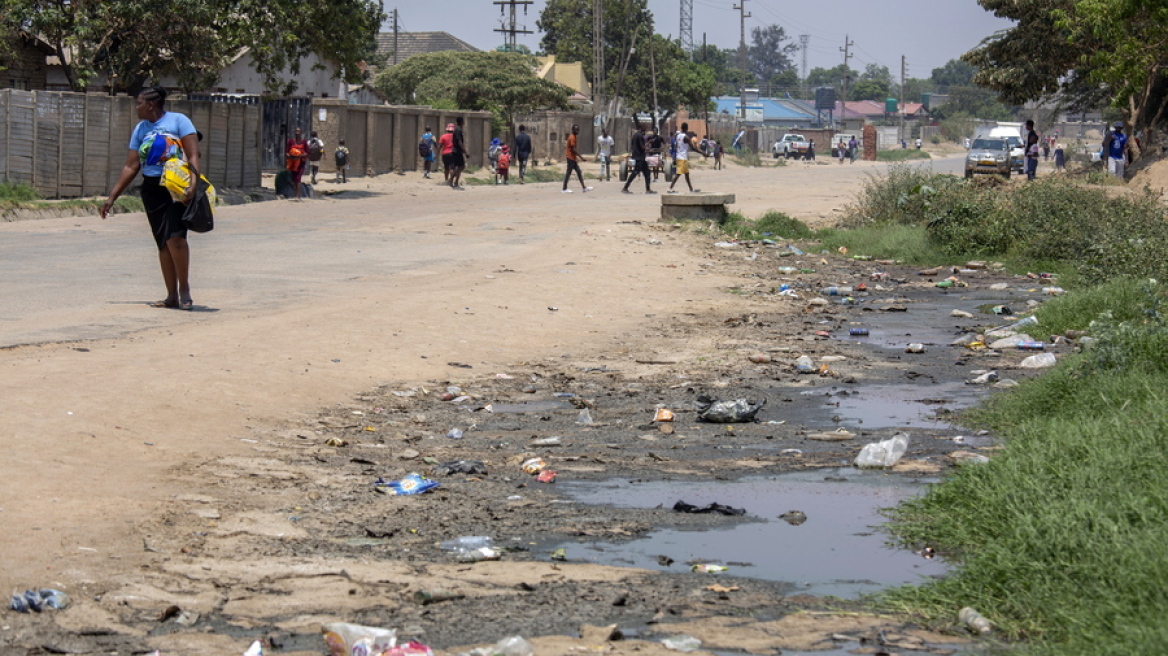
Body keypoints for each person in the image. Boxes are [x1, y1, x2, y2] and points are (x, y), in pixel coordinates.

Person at [99, 85, 201, 311]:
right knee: (163, 243)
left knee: (176, 238)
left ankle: (184, 290)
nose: (137, 107)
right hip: (152, 190)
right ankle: (171, 296)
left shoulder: (179, 121)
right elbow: (131, 165)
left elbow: (194, 154)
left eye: (139, 103)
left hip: (176, 188)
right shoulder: (141, 129)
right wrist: (112, 197)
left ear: (151, 104)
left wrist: (194, 184)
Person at [621, 121, 654, 194]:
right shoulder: (640, 136)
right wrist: (649, 142)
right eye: (645, 127)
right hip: (640, 157)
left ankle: (648, 189)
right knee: (635, 173)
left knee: (646, 172)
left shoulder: (635, 135)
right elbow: (642, 147)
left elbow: (633, 146)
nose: (646, 128)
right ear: (642, 127)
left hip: (637, 156)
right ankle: (625, 187)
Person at [668, 123, 702, 193]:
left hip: (680, 156)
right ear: (687, 128)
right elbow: (693, 148)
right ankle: (670, 188)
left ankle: (691, 189)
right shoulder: (686, 137)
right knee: (678, 174)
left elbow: (677, 146)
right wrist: (703, 153)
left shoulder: (677, 136)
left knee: (687, 174)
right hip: (682, 158)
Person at [561, 124, 591, 193]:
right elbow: (573, 149)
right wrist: (581, 157)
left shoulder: (574, 137)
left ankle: (584, 187)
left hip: (572, 158)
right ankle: (564, 188)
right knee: (569, 173)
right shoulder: (572, 137)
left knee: (578, 172)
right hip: (570, 157)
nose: (577, 131)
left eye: (578, 129)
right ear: (573, 130)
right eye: (576, 129)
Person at [286, 127, 308, 199]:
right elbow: (287, 152)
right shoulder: (291, 142)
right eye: (296, 131)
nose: (297, 133)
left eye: (298, 131)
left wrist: (299, 156)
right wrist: (290, 156)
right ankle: (298, 192)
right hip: (293, 162)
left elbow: (307, 153)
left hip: (301, 162)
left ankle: (297, 195)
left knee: (298, 177)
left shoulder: (304, 142)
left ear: (301, 133)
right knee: (294, 178)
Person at [450, 116, 467, 189]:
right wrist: (465, 152)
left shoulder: (458, 129)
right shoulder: (458, 130)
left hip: (456, 150)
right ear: (461, 122)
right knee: (461, 166)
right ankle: (451, 179)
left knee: (459, 167)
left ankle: (455, 182)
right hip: (457, 151)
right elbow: (459, 142)